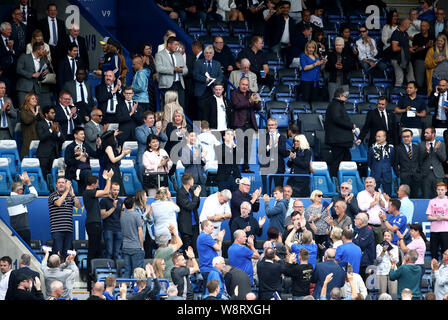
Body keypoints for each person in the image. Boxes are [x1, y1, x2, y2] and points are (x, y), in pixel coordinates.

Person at [83, 170, 114, 280]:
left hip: (94, 223)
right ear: (92, 185)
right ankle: (89, 275)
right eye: (96, 183)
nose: (97, 185)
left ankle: (93, 273)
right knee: (93, 249)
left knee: (96, 249)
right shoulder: (89, 192)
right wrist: (108, 178)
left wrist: (106, 179)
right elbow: (106, 191)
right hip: (93, 224)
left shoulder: (90, 193)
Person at [324, 88, 355, 178]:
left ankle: (345, 180)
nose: (346, 98)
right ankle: (334, 181)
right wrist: (351, 125)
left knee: (346, 160)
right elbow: (337, 119)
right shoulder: (336, 105)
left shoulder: (336, 105)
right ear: (340, 96)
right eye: (345, 96)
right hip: (338, 140)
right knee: (338, 162)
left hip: (341, 141)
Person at [48, 178, 81, 257]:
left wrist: (72, 194)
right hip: (57, 230)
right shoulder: (53, 195)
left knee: (67, 255)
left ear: (66, 184)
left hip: (68, 230)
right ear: (56, 185)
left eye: (63, 183)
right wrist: (67, 191)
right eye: (59, 183)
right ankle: (57, 269)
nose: (61, 184)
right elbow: (58, 203)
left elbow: (78, 205)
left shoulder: (70, 196)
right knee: (57, 254)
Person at [64, 127, 100, 195]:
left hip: (84, 169)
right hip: (73, 170)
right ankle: (90, 192)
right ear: (75, 135)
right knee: (88, 173)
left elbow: (96, 155)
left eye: (84, 134)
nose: (83, 135)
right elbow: (67, 161)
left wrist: (98, 146)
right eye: (81, 134)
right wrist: (79, 159)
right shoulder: (70, 147)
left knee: (87, 173)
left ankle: (86, 194)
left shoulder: (86, 145)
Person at [155, 36, 188, 107]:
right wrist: (173, 69)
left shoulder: (179, 55)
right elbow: (159, 68)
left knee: (181, 107)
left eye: (178, 45)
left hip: (179, 85)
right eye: (175, 44)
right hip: (167, 85)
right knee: (168, 107)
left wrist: (181, 70)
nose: (177, 47)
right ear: (169, 44)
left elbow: (186, 70)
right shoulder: (159, 55)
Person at [6, 172, 37, 245]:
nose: (23, 191)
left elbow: (21, 195)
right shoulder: (18, 199)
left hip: (15, 229)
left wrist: (22, 182)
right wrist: (29, 182)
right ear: (19, 191)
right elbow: (34, 195)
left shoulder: (10, 199)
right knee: (27, 251)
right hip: (23, 230)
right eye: (22, 190)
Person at [260, 118, 290, 193]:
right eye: (269, 125)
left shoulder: (282, 137)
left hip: (279, 167)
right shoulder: (263, 137)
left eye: (272, 125)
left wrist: (276, 144)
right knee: (266, 190)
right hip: (266, 166)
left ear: (276, 126)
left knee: (279, 190)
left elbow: (283, 153)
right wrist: (270, 145)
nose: (271, 127)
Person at [136, 110, 168, 176]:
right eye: (150, 118)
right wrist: (156, 134)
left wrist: (160, 131)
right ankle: (144, 186)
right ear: (145, 120)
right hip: (144, 154)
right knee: (142, 168)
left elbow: (165, 139)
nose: (153, 120)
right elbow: (145, 140)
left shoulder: (155, 128)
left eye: (153, 118)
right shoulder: (139, 129)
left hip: (156, 154)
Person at [356, 177, 388, 244]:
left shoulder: (379, 194)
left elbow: (386, 207)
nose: (368, 184)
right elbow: (362, 207)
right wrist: (375, 201)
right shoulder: (361, 194)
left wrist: (379, 199)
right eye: (366, 182)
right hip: (367, 226)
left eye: (370, 182)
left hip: (379, 227)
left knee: (379, 247)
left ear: (375, 184)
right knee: (368, 247)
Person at [418, 126, 446, 198]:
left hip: (438, 175)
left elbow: (443, 159)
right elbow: (420, 160)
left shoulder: (441, 144)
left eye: (427, 133)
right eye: (425, 133)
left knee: (439, 197)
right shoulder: (421, 145)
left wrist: (436, 150)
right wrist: (427, 151)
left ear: (433, 134)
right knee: (425, 196)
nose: (425, 135)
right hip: (425, 174)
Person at [303, 190, 332, 259]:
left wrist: (328, 210)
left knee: (324, 251)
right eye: (319, 195)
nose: (321, 197)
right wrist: (316, 217)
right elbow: (308, 221)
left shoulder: (324, 207)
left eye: (322, 196)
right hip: (314, 233)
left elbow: (329, 219)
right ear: (314, 196)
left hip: (324, 232)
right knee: (315, 252)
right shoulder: (309, 208)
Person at [177, 173, 201, 252]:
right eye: (192, 179)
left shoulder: (191, 191)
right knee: (187, 249)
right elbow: (189, 206)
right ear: (189, 181)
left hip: (194, 223)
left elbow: (195, 206)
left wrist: (197, 196)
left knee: (196, 247)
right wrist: (196, 196)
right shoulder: (180, 192)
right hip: (185, 225)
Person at [99, 182, 124, 260]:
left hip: (119, 229)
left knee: (117, 253)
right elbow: (103, 216)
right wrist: (113, 208)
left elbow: (121, 217)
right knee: (109, 252)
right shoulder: (104, 201)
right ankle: (108, 270)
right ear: (110, 190)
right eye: (114, 190)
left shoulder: (120, 201)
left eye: (118, 190)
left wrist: (123, 211)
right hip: (108, 229)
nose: (116, 192)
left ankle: (117, 271)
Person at [326, 37, 355, 101]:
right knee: (332, 100)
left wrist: (343, 67)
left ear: (343, 46)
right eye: (336, 45)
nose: (338, 47)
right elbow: (327, 67)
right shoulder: (330, 54)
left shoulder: (347, 55)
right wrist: (334, 66)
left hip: (344, 80)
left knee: (344, 101)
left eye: (339, 45)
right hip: (333, 80)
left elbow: (352, 67)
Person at [101, 130, 130, 195]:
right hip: (111, 169)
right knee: (113, 187)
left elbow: (117, 160)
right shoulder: (108, 147)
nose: (115, 139)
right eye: (114, 137)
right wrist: (123, 154)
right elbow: (113, 160)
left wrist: (119, 153)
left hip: (115, 169)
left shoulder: (112, 148)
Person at [368, 130, 395, 196]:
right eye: (376, 136)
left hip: (387, 176)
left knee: (388, 196)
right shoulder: (372, 149)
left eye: (379, 136)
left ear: (384, 137)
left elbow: (392, 161)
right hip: (375, 176)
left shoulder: (390, 149)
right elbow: (370, 163)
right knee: (373, 196)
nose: (377, 138)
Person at [197, 220, 225, 284]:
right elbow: (218, 248)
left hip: (207, 268)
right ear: (205, 227)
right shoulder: (205, 236)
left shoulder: (203, 236)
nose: (213, 227)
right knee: (212, 291)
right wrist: (220, 239)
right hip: (208, 268)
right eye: (211, 226)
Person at [396, 130, 421, 199]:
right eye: (404, 137)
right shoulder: (398, 149)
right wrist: (399, 174)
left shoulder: (417, 148)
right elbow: (395, 164)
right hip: (404, 177)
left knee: (415, 198)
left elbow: (420, 162)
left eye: (407, 136)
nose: (406, 138)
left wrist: (419, 173)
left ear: (412, 137)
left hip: (416, 177)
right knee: (403, 197)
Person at [425, 182, 448, 260]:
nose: (440, 191)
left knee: (445, 251)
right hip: (434, 230)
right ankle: (435, 268)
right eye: (438, 190)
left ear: (446, 190)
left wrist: (443, 217)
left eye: (442, 190)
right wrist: (436, 218)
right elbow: (428, 217)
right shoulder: (432, 201)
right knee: (433, 251)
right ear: (436, 190)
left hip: (445, 230)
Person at [180, 130, 207, 195]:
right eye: (191, 136)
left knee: (203, 199)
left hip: (200, 179)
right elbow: (185, 163)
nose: (194, 138)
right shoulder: (183, 149)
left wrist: (202, 157)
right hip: (190, 180)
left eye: (195, 136)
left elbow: (203, 163)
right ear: (186, 137)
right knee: (192, 200)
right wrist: (195, 157)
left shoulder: (199, 147)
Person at [375, 229, 399, 299]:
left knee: (393, 293)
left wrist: (389, 251)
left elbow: (396, 261)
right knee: (382, 294)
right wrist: (383, 251)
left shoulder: (395, 248)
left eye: (388, 236)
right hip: (381, 272)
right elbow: (378, 261)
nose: (386, 237)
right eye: (385, 236)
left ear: (391, 237)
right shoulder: (379, 246)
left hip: (392, 271)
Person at [411, 20, 434, 92]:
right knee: (419, 83)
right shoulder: (417, 36)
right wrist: (425, 46)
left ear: (428, 27)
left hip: (430, 61)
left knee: (429, 83)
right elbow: (415, 50)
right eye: (421, 26)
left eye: (424, 26)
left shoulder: (432, 36)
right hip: (419, 60)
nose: (422, 27)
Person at [353, 212, 376, 279]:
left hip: (365, 264)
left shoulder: (368, 231)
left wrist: (352, 239)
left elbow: (361, 244)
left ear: (361, 221)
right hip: (359, 262)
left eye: (356, 218)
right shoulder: (357, 230)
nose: (354, 220)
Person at [19, 93, 42, 160]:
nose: (35, 100)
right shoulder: (23, 110)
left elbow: (42, 119)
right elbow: (27, 121)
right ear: (28, 100)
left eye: (36, 99)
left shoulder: (38, 110)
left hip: (38, 136)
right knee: (27, 156)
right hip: (28, 137)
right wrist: (35, 114)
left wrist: (37, 112)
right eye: (33, 98)